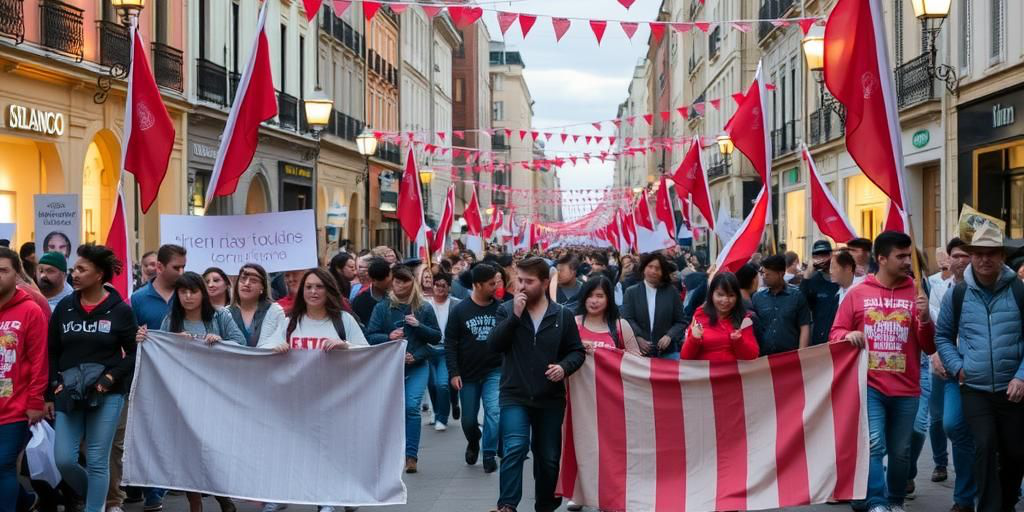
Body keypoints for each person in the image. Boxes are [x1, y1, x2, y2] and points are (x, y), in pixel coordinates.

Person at [831, 231, 935, 512]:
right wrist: (847, 334)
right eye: (900, 256)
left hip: (907, 388)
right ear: (881, 259)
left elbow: (928, 346)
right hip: (870, 385)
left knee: (901, 453)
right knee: (875, 445)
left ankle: (895, 501)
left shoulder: (916, 291)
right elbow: (835, 333)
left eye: (907, 255)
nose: (906, 261)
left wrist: (925, 319)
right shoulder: (857, 294)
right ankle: (876, 502)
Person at [935, 224, 1024, 512]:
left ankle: (1007, 502)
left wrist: (1022, 376)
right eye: (978, 253)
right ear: (971, 257)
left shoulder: (1019, 291)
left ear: (1002, 256)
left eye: (991, 253)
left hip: (1013, 390)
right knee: (984, 446)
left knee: (1015, 452)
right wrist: (957, 366)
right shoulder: (958, 294)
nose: (985, 259)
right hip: (975, 388)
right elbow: (943, 336)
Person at [138, 272, 243, 512]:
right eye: (182, 292)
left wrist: (220, 342)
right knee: (188, 453)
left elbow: (242, 344)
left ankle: (222, 496)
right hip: (182, 396)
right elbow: (158, 352)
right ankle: (195, 504)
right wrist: (155, 339)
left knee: (213, 451)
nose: (187, 296)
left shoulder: (220, 316)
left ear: (202, 293)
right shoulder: (170, 320)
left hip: (215, 395)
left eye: (193, 291)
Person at [488, 257, 585, 512]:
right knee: (515, 447)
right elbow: (494, 345)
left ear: (544, 283)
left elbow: (576, 352)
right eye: (519, 280)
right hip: (514, 394)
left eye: (528, 281)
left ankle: (544, 505)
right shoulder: (506, 310)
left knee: (548, 458)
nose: (521, 286)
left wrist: (564, 367)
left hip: (549, 398)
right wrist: (515, 317)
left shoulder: (562, 316)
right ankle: (507, 505)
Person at [48, 244, 137, 512]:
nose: (74, 273)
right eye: (74, 268)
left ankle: (95, 507)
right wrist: (54, 385)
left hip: (107, 393)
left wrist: (111, 377)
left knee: (98, 460)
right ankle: (97, 497)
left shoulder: (120, 310)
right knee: (63, 459)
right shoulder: (64, 307)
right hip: (69, 393)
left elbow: (134, 353)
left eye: (81, 269)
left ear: (99, 275)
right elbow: (51, 352)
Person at [366, 265, 440, 474]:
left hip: (417, 365)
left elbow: (436, 337)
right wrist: (388, 337)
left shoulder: (424, 308)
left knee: (411, 407)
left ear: (412, 283)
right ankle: (389, 455)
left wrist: (419, 328)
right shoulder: (383, 307)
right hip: (389, 368)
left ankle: (411, 456)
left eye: (403, 281)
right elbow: (370, 335)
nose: (398, 285)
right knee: (390, 412)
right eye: (396, 281)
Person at [925, 237, 976, 512]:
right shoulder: (940, 288)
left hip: (983, 371)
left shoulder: (997, 289)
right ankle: (941, 463)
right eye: (955, 255)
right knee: (947, 422)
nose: (960, 261)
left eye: (965, 255)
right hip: (947, 367)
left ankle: (972, 493)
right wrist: (938, 355)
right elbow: (939, 330)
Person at [0, 247, 48, 512]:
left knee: (4, 464)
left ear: (17, 274)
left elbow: (40, 359)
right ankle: (25, 500)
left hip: (16, 407)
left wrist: (35, 400)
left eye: (3, 270)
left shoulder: (30, 309)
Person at [446, 263, 504, 473]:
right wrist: (454, 373)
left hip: (494, 371)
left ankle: (489, 453)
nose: (495, 287)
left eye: (496, 282)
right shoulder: (460, 310)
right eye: (491, 284)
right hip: (467, 374)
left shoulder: (500, 308)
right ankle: (474, 440)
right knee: (469, 420)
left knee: (494, 412)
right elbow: (450, 343)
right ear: (477, 285)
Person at [276, 268, 366, 351]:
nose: (313, 291)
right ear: (302, 291)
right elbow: (268, 349)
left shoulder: (345, 319)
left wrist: (347, 346)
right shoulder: (289, 322)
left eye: (319, 286)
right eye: (308, 287)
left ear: (329, 290)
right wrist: (277, 348)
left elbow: (367, 354)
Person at [620, 252, 687, 359]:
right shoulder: (631, 292)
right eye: (650, 267)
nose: (653, 271)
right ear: (644, 268)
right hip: (639, 353)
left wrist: (669, 336)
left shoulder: (672, 292)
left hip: (667, 353)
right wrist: (637, 337)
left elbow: (681, 321)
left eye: (658, 268)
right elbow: (627, 319)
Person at [681, 272, 759, 362]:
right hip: (705, 374)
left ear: (737, 297)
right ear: (711, 294)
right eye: (720, 294)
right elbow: (685, 357)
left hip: (732, 374)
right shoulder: (700, 315)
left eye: (731, 295)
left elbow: (753, 355)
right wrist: (694, 339)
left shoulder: (744, 319)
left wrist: (738, 341)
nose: (725, 300)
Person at [750, 254, 811, 355]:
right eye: (763, 273)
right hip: (764, 359)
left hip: (790, 356)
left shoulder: (797, 296)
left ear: (780, 274)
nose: (764, 277)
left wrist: (802, 354)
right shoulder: (757, 298)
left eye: (768, 274)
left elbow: (804, 326)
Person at [574, 275, 640, 356]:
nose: (594, 301)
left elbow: (636, 361)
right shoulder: (573, 323)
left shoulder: (621, 326)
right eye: (590, 296)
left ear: (609, 299)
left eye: (599, 296)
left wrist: (617, 355)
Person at [426, 272, 458, 431]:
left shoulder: (456, 305)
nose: (439, 288)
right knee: (431, 384)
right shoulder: (425, 304)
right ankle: (437, 410)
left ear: (449, 288)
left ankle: (442, 418)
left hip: (446, 350)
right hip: (428, 349)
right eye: (436, 285)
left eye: (443, 285)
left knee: (442, 384)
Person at [227, 264, 288, 348]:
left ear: (262, 288)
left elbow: (280, 340)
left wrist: (278, 345)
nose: (247, 283)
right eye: (243, 279)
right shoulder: (225, 314)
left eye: (253, 281)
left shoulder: (275, 312)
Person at [132, 244, 186, 331]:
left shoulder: (190, 295)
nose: (181, 272)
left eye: (183, 267)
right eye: (176, 268)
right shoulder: (137, 298)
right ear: (160, 267)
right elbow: (130, 336)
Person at [801, 241, 840, 346]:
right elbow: (801, 304)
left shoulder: (841, 276)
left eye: (825, 254)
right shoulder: (812, 280)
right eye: (818, 255)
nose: (822, 258)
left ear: (831, 255)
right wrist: (807, 275)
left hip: (839, 337)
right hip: (820, 338)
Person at [351, 258, 391, 326]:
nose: (391, 283)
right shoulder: (360, 301)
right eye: (386, 281)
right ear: (373, 280)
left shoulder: (396, 297)